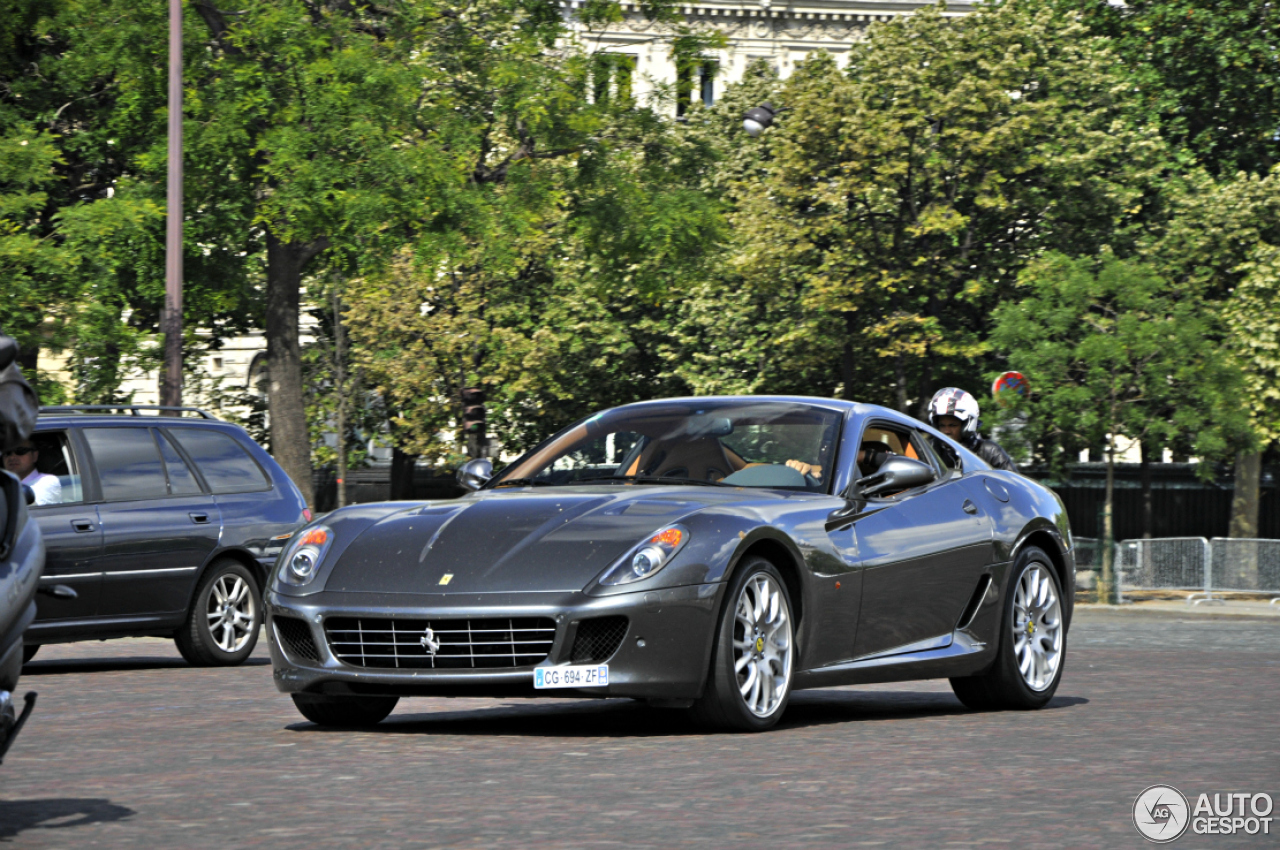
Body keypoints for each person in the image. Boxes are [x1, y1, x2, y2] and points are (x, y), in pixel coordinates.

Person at [927, 387, 1016, 472]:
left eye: (952, 425)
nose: (946, 431)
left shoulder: (990, 452)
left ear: (966, 426)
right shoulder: (929, 450)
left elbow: (1013, 483)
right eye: (942, 426)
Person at [3, 439, 61, 506]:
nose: (12, 457)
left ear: (34, 456)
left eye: (20, 451)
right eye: (7, 452)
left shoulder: (47, 481)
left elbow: (33, 512)